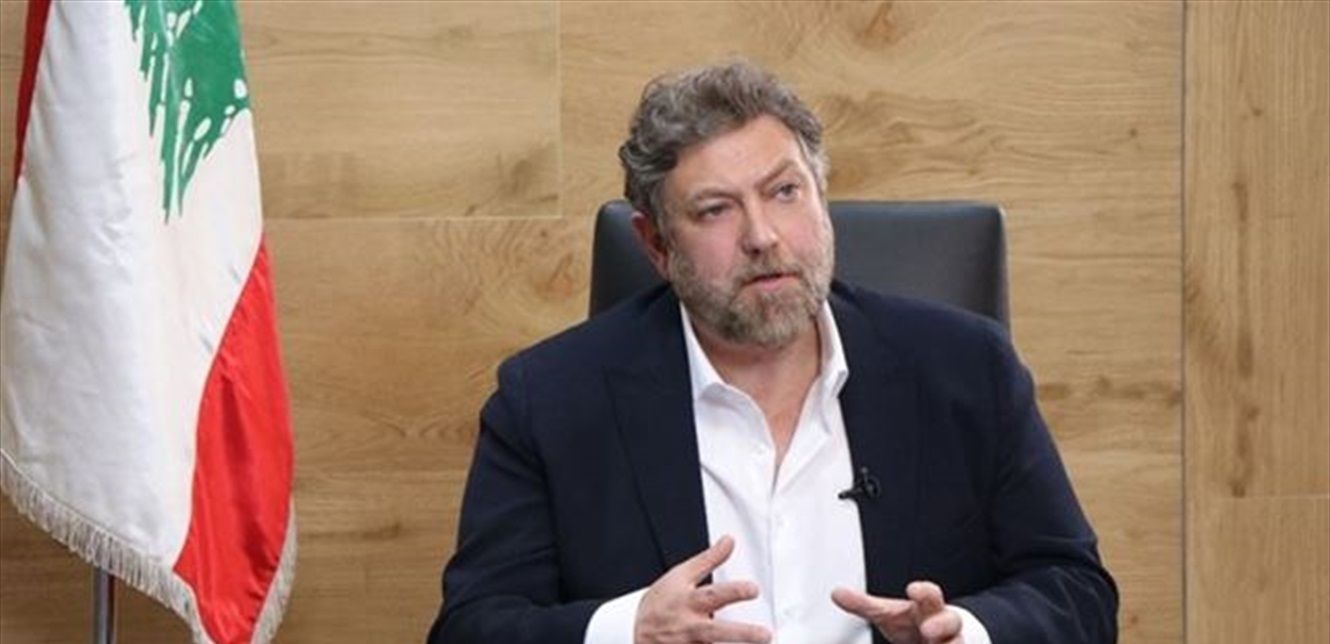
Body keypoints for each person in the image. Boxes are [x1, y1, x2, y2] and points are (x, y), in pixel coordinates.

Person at [428, 61, 1117, 644]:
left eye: (785, 192)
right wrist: (629, 630)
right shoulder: (548, 400)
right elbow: (472, 627)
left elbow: (1078, 593)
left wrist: (965, 631)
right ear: (656, 245)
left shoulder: (965, 367)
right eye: (715, 210)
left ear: (821, 197)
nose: (762, 236)